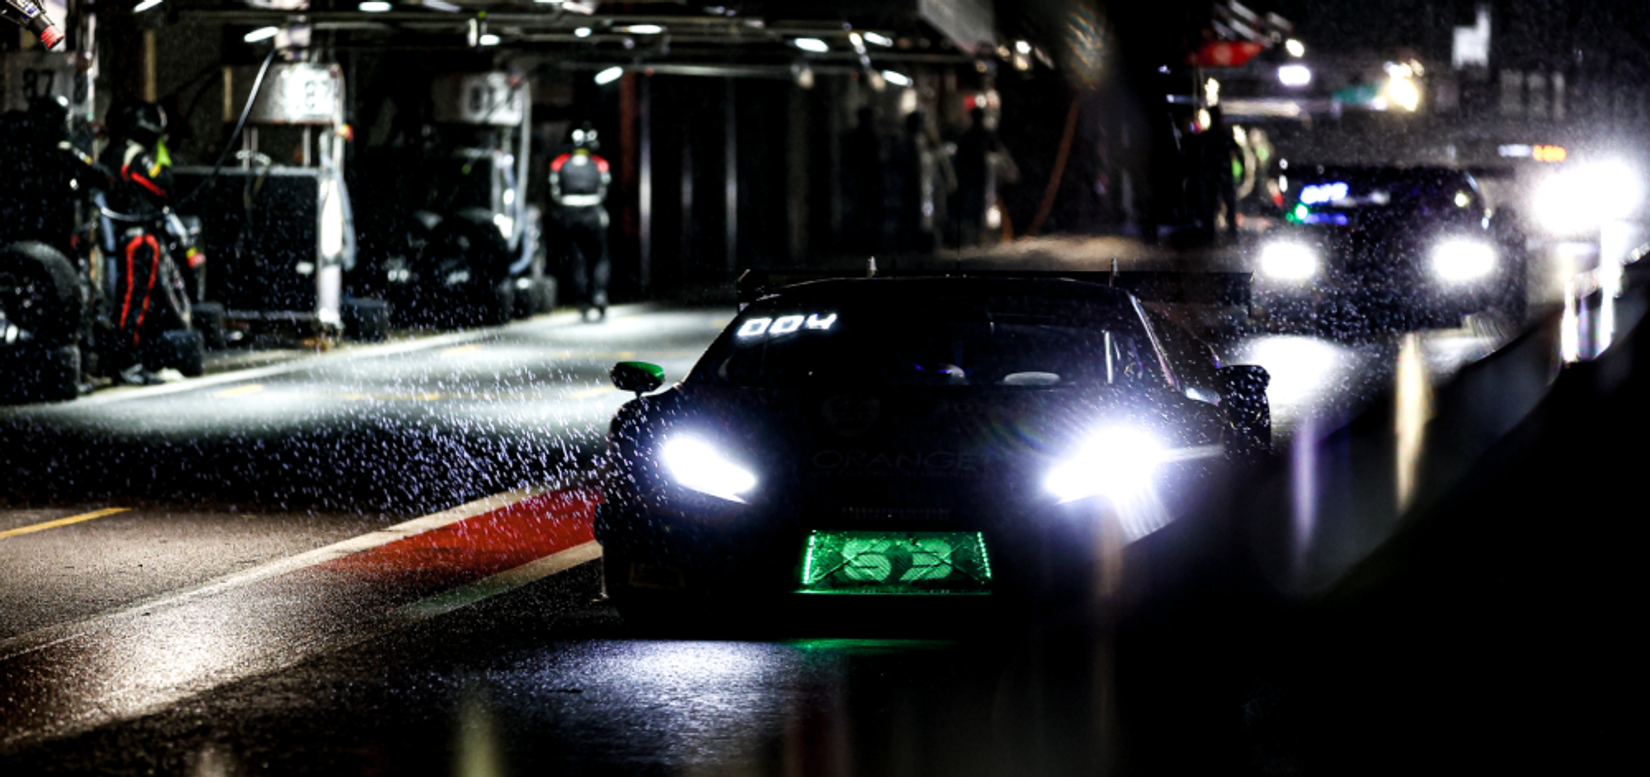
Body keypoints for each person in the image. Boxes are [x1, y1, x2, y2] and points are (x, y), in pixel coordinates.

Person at [549, 124, 611, 321]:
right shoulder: (599, 164)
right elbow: (604, 191)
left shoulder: (560, 164)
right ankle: (599, 294)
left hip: (569, 215)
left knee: (577, 258)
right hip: (592, 213)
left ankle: (583, 299)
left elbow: (554, 193)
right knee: (599, 257)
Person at [841, 106, 885, 253]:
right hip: (865, 179)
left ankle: (865, 242)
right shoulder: (869, 136)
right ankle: (866, 242)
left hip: (864, 179)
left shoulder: (860, 136)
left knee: (865, 212)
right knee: (866, 212)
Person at [952, 107, 997, 247]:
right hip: (979, 174)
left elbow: (960, 157)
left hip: (970, 175)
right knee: (978, 204)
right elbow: (994, 149)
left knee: (971, 204)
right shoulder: (985, 134)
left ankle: (972, 234)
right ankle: (976, 234)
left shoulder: (967, 135)